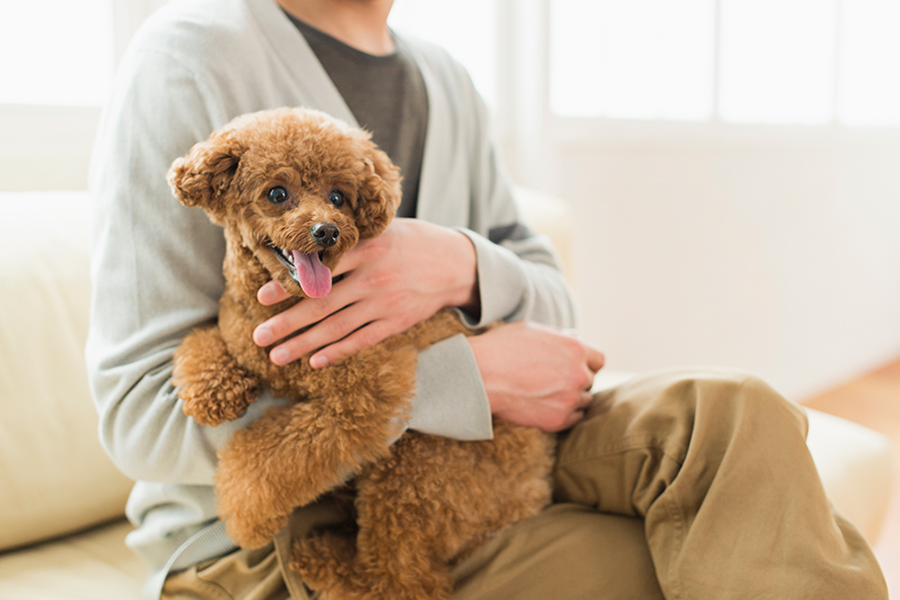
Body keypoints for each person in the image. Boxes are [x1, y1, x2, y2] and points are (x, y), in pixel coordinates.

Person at [86, 0, 888, 599]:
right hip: (288, 531)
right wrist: (462, 382)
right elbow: (136, 418)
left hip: (480, 457)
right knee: (707, 560)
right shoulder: (188, 58)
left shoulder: (445, 79)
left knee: (737, 411)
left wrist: (461, 263)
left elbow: (550, 295)